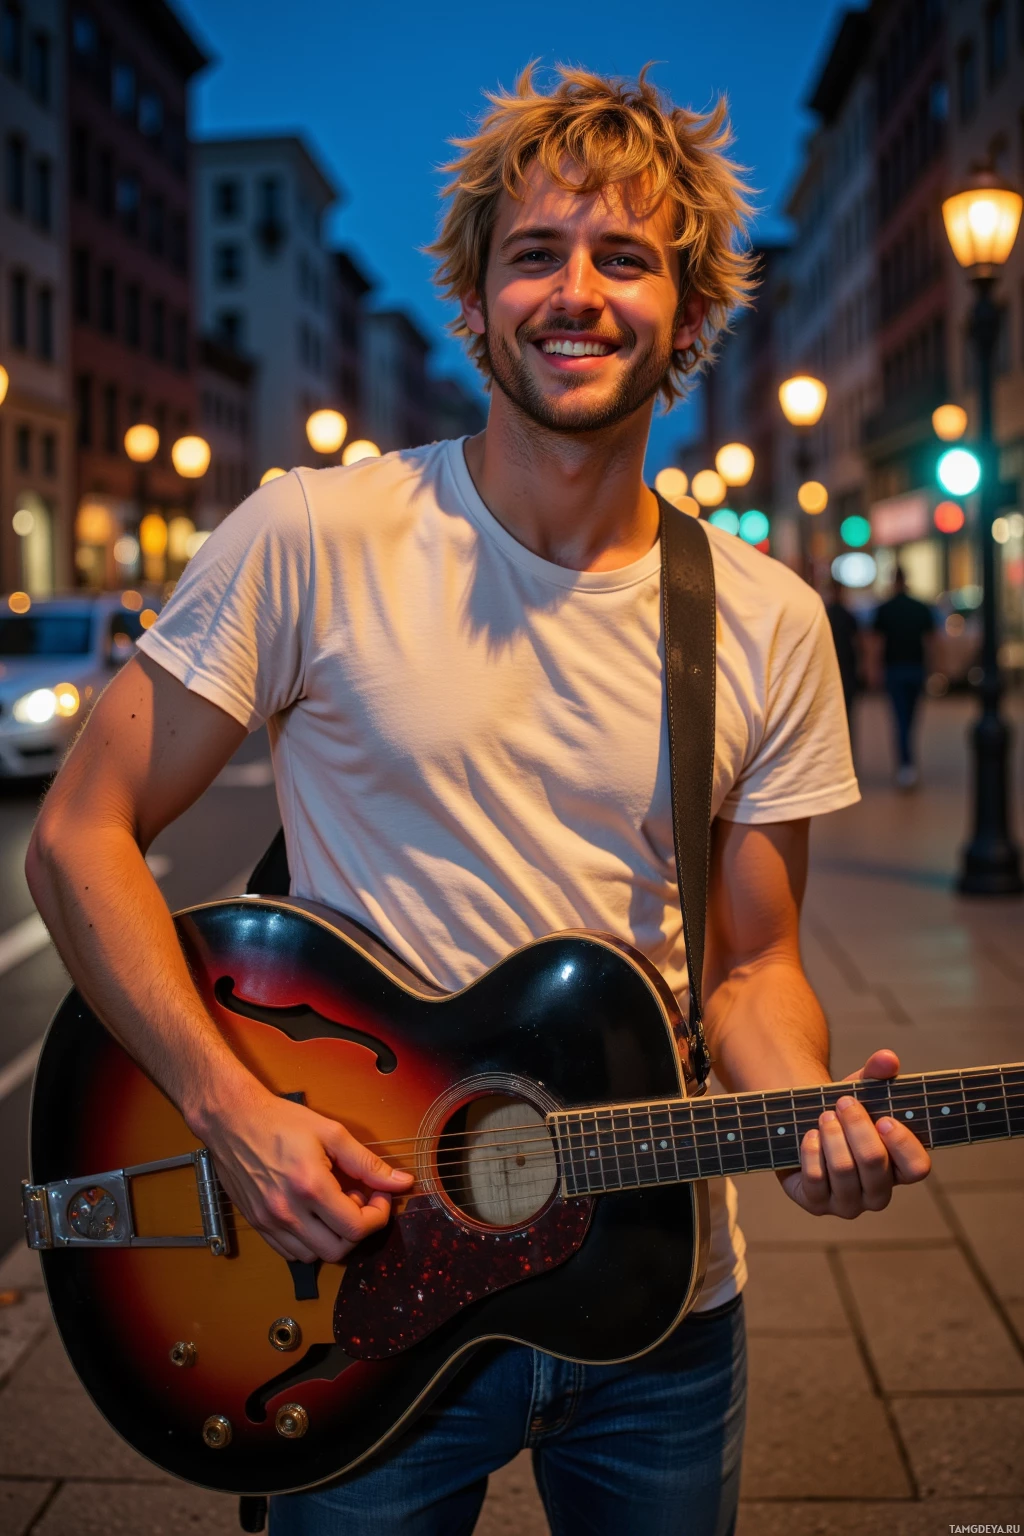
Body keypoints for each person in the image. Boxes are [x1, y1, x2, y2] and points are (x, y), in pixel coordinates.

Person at [26, 67, 931, 1536]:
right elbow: (78, 839)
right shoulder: (312, 536)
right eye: (536, 254)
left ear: (689, 314)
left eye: (625, 258)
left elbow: (754, 967)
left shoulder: (764, 620)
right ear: (476, 299)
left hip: (654, 1299)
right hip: (355, 1283)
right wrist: (235, 1110)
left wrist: (810, 1115)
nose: (575, 292)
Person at [873, 567, 936, 789]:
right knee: (910, 718)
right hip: (916, 668)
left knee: (900, 719)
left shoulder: (885, 609)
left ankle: (905, 765)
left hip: (895, 669)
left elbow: (876, 644)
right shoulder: (920, 608)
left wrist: (874, 670)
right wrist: (934, 669)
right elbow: (931, 641)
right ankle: (907, 763)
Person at [824, 577, 860, 748]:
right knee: (846, 717)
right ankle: (846, 752)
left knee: (833, 720)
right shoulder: (847, 615)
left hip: (832, 674)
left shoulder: (826, 614)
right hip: (845, 673)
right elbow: (859, 643)